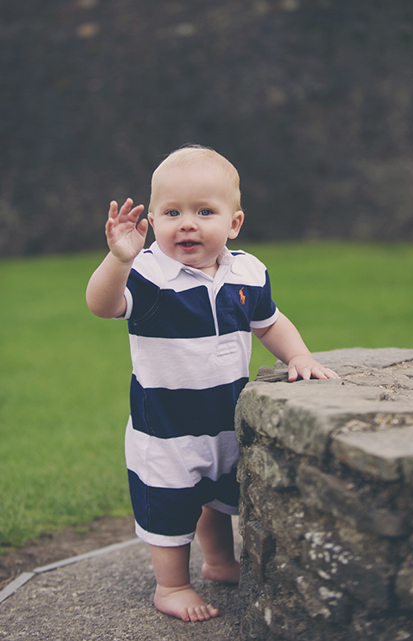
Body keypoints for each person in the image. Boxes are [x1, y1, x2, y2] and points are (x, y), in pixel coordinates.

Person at [85, 145, 339, 622]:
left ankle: (221, 562)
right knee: (171, 506)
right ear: (154, 221)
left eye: (205, 211)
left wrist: (299, 355)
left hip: (225, 419)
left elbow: (269, 323)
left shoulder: (248, 272)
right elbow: (102, 305)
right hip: (166, 430)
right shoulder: (148, 276)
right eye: (172, 212)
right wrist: (118, 259)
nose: (187, 223)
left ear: (234, 223)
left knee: (220, 498)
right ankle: (173, 585)